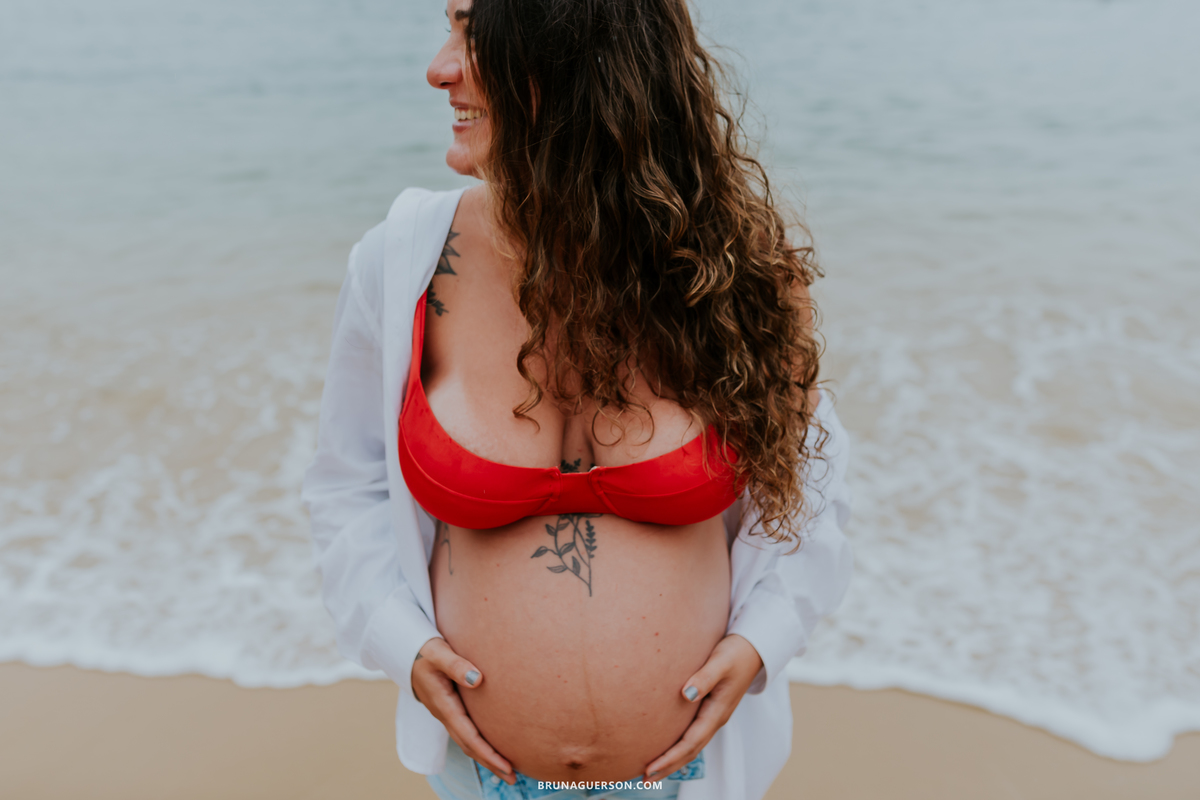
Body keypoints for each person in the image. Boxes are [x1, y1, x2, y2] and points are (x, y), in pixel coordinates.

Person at [301, 1, 853, 798]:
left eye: (471, 32)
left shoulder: (737, 273)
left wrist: (764, 639)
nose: (439, 69)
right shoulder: (399, 267)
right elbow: (346, 484)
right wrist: (400, 642)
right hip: (482, 782)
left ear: (573, 51)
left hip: (690, 781)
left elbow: (813, 480)